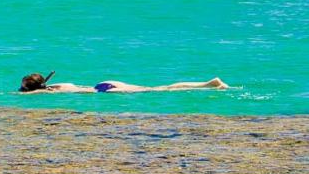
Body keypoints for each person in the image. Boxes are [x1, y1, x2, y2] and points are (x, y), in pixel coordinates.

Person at [15, 71, 229, 94]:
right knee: (158, 88)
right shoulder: (60, 85)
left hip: (106, 92)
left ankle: (208, 85)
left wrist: (25, 92)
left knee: (159, 90)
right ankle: (207, 84)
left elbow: (26, 93)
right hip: (104, 84)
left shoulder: (46, 92)